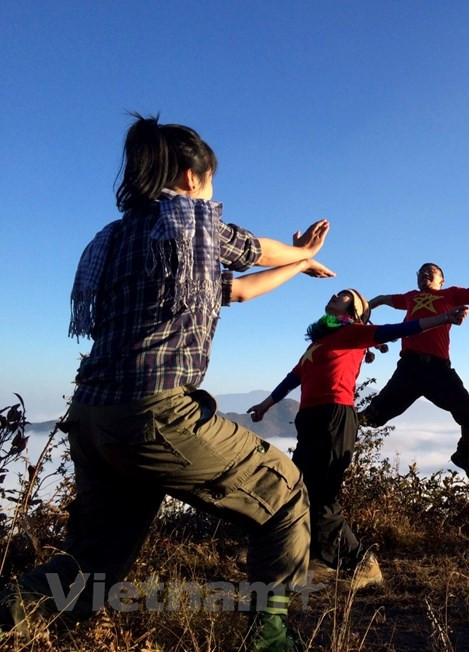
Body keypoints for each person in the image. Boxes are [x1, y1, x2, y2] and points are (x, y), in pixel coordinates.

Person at [0, 114, 334, 650]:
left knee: (98, 562)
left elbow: (240, 290)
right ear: (188, 177)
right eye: (211, 183)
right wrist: (303, 253)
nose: (212, 196)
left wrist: (299, 268)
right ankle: (269, 639)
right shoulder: (188, 221)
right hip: (152, 412)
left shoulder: (117, 240)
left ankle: (14, 609)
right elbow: (256, 249)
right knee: (284, 493)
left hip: (91, 416)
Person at [248, 290, 469, 589]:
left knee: (322, 497)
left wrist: (443, 318)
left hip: (335, 417)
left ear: (355, 309)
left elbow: (398, 330)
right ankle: (315, 558)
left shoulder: (354, 332)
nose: (335, 295)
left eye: (344, 295)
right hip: (310, 418)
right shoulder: (321, 340)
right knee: (297, 489)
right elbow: (294, 377)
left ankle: (362, 563)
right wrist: (265, 405)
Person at [359, 264, 469, 481]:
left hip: (439, 370)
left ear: (442, 279)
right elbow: (383, 298)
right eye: (420, 273)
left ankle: (465, 454)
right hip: (409, 368)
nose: (424, 275)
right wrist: (363, 310)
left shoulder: (452, 294)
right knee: (372, 416)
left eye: (430, 272)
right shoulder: (410, 297)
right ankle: (336, 432)